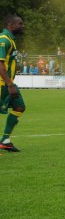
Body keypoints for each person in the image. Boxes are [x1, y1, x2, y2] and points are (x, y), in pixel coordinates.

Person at [0, 15, 26, 153]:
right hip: (2, 84)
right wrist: (10, 84)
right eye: (20, 23)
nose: (23, 26)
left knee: (19, 106)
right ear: (10, 25)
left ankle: (5, 140)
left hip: (8, 83)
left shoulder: (11, 40)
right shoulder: (3, 40)